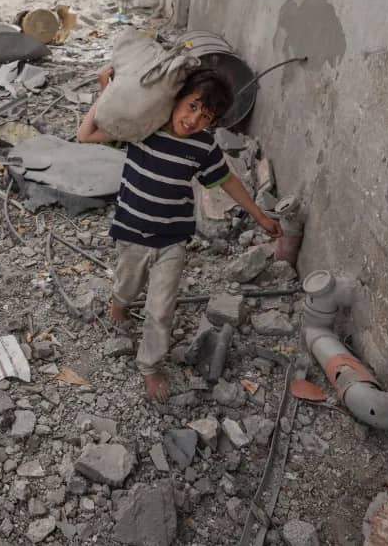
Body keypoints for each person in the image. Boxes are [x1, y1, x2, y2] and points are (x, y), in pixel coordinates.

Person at [76, 66, 281, 401]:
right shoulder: (143, 127)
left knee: (161, 308)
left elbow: (227, 180)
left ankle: (150, 365)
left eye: (206, 116)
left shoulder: (203, 147)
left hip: (172, 238)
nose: (194, 119)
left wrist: (259, 214)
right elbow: (86, 134)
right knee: (127, 284)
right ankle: (120, 304)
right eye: (192, 106)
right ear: (176, 98)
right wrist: (106, 91)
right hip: (132, 231)